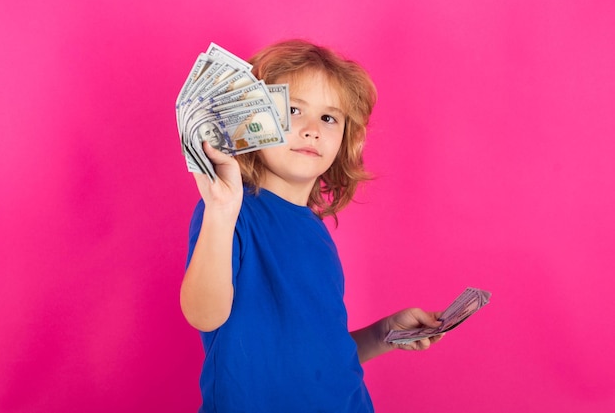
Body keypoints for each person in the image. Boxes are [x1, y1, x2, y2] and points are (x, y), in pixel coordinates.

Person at [181, 39, 444, 412]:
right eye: (291, 110)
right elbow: (204, 315)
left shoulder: (317, 233)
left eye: (328, 117)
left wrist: (386, 333)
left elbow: (321, 352)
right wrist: (221, 211)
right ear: (249, 119)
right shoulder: (230, 212)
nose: (311, 129)